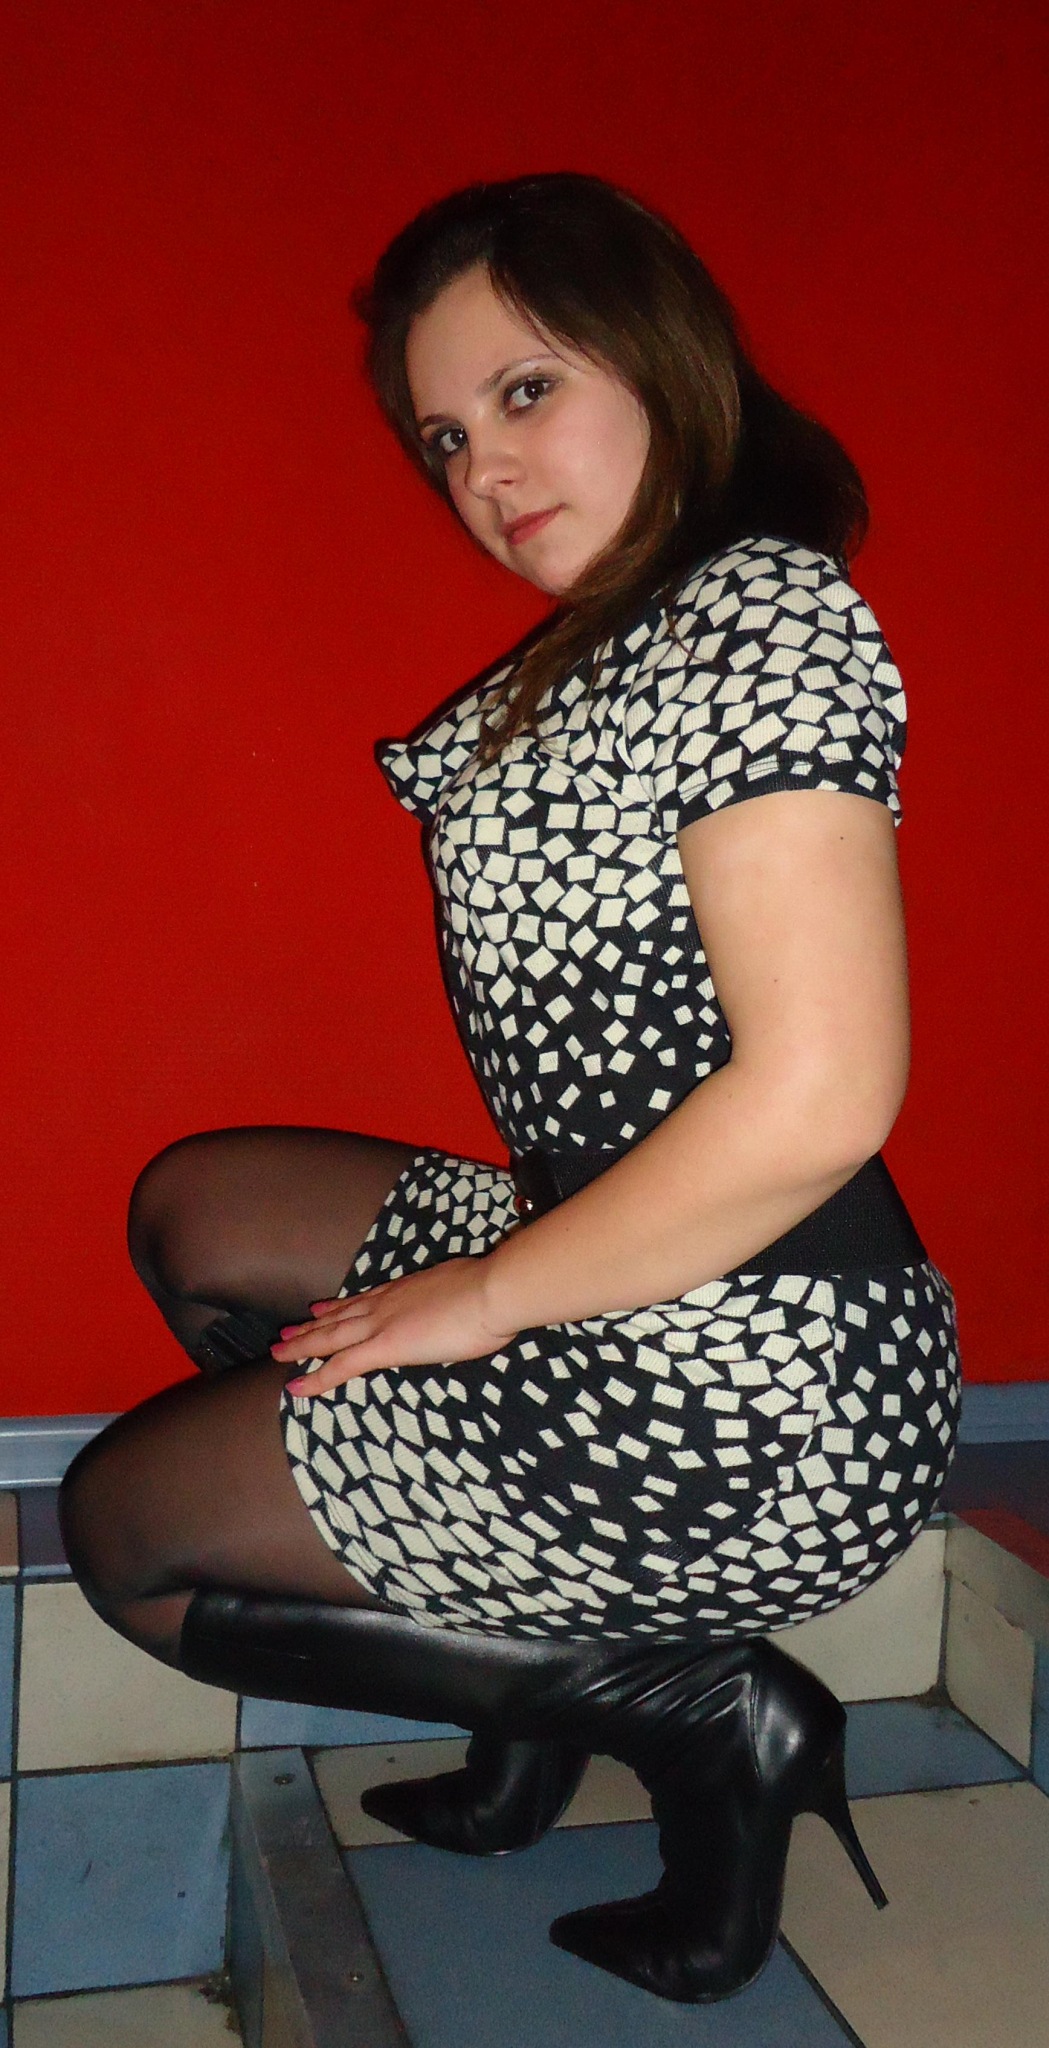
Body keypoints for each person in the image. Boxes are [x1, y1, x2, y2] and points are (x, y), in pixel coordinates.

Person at [59, 173, 960, 2005]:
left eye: (524, 390)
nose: (481, 468)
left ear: (658, 356)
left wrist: (477, 1301)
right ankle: (520, 1678)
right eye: (445, 436)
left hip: (748, 1381)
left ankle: (691, 1712)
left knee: (125, 1539)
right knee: (201, 1213)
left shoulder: (760, 616)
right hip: (633, 1263)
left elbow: (818, 1097)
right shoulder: (614, 639)